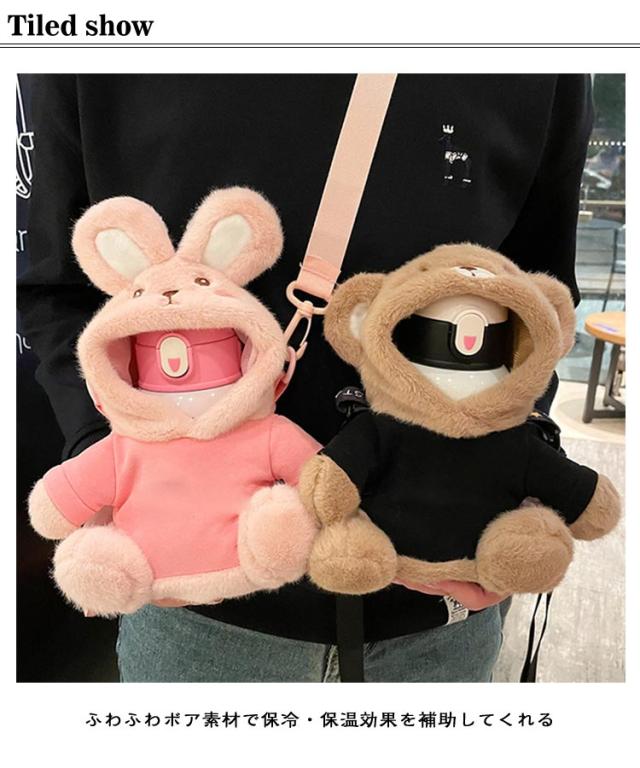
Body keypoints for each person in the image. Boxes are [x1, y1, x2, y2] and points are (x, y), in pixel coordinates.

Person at [18, 74, 593, 682]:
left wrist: (517, 461)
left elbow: (539, 302)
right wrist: (111, 464)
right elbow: (55, 287)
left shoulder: (534, 58)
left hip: (439, 609)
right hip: (195, 609)